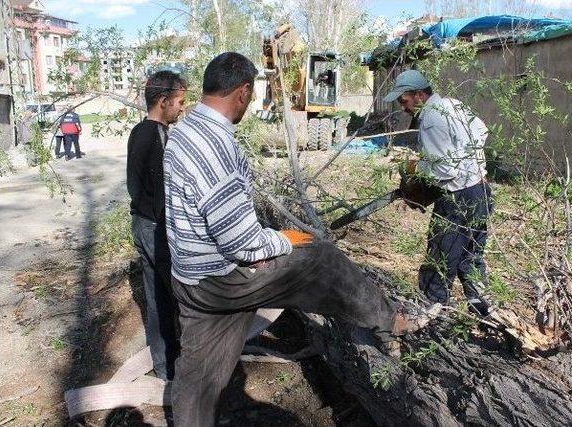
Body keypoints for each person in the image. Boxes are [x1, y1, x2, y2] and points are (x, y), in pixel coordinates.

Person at [164, 52, 439, 426]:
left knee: (198, 371)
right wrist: (282, 240)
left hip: (189, 275)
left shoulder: (183, 130)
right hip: (222, 276)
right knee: (321, 256)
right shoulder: (215, 145)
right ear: (244, 92)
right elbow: (240, 242)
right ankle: (391, 319)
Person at [383, 70, 494, 317]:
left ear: (420, 95)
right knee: (471, 258)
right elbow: (482, 131)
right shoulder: (452, 104)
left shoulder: (431, 118)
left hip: (457, 199)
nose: (404, 108)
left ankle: (425, 316)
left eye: (405, 101)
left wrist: (415, 176)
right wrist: (476, 165)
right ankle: (486, 313)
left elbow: (443, 169)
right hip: (480, 192)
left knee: (440, 262)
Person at [126, 70, 187, 380]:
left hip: (150, 224)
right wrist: (159, 221)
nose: (182, 108)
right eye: (179, 102)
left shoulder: (152, 132)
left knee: (159, 298)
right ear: (163, 101)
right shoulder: (150, 135)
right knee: (174, 296)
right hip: (154, 227)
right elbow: (145, 186)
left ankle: (168, 365)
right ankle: (172, 365)